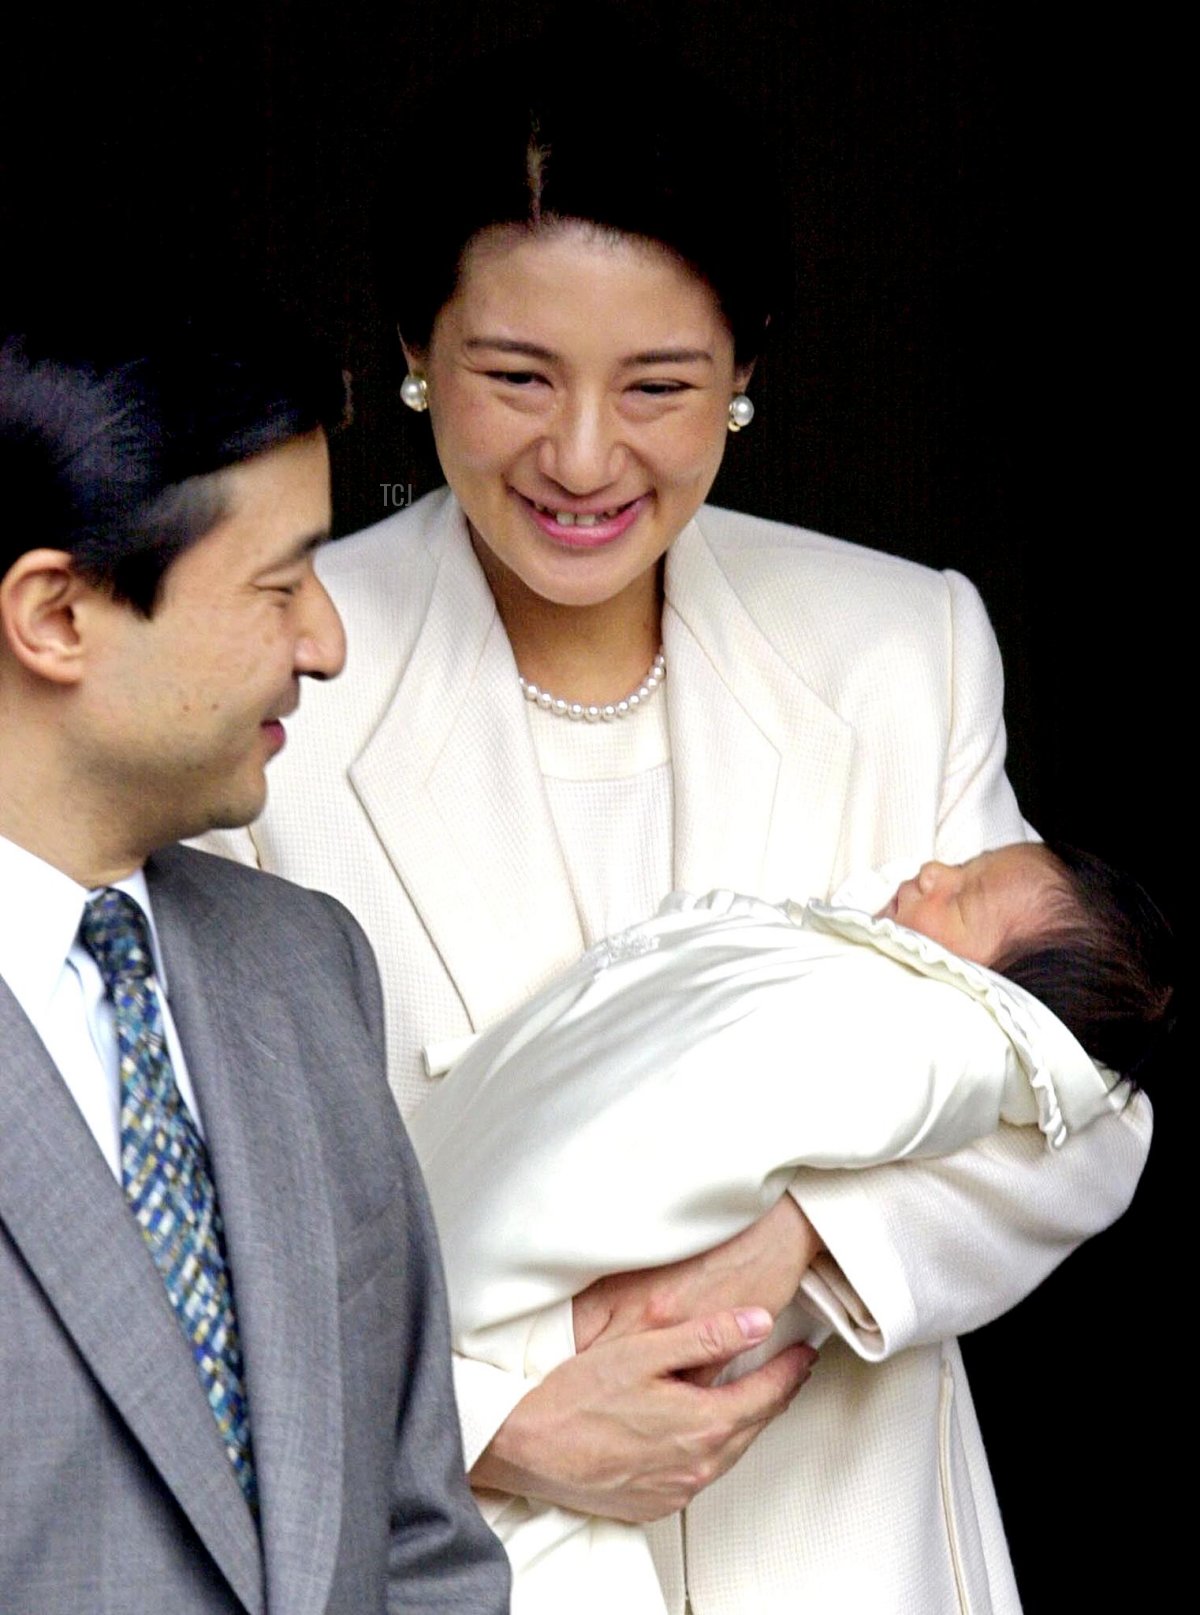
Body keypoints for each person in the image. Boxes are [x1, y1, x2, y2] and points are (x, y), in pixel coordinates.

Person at [201, 51, 1153, 1613]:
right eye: (517, 376)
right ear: (416, 353)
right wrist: (493, 1425)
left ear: (744, 368)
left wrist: (796, 1250)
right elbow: (201, 1213)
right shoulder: (266, 664)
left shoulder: (896, 643)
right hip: (472, 1557)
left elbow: (1081, 1100)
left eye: (657, 385)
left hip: (853, 1556)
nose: (584, 458)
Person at [0, 322, 510, 1614]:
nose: (326, 642)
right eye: (280, 586)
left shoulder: (303, 968)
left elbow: (422, 1539)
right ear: (56, 615)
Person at [408, 840, 1174, 1610]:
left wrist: (803, 1223)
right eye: (963, 867)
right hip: (467, 1322)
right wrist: (494, 1426)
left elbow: (1091, 1113)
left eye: (966, 896)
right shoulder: (812, 943)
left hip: (818, 1518)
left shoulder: (945, 1030)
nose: (933, 871)